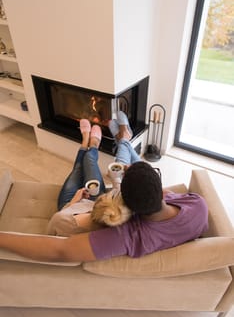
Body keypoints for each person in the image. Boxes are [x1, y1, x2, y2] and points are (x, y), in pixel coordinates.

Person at [0, 113, 209, 263]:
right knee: (124, 160)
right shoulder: (198, 205)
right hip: (158, 202)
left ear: (125, 201)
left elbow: (61, 250)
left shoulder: (128, 234)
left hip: (73, 210)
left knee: (110, 162)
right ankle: (122, 141)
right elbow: (166, 195)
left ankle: (115, 142)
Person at [47, 117, 132, 236]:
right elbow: (118, 192)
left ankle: (88, 142)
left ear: (95, 206)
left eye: (103, 196)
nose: (104, 194)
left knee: (79, 167)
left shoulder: (60, 220)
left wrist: (73, 202)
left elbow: (51, 235)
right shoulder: (117, 214)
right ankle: (91, 143)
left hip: (68, 207)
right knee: (85, 162)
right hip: (93, 207)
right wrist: (115, 176)